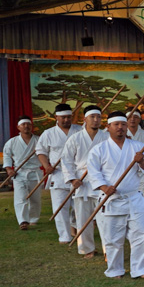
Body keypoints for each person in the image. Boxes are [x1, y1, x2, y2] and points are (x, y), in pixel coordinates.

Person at [87, 111, 144, 279]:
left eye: (123, 124)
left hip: (133, 197)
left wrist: (141, 161)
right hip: (112, 199)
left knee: (140, 235)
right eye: (116, 124)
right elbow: (93, 172)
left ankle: (142, 269)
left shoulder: (138, 147)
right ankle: (115, 269)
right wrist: (104, 187)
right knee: (113, 238)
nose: (120, 128)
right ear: (108, 127)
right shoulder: (99, 149)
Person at [61, 105, 109, 258]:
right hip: (82, 182)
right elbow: (66, 160)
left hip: (102, 180)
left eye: (98, 117)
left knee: (105, 218)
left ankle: (108, 249)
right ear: (85, 119)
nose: (96, 120)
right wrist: (72, 178)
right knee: (83, 218)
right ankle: (86, 248)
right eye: (92, 117)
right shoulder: (75, 138)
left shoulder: (107, 137)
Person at [36, 103, 83, 243]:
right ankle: (64, 236)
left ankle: (78, 230)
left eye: (69, 117)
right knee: (60, 207)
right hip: (58, 174)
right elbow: (41, 151)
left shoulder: (80, 131)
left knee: (79, 206)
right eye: (63, 117)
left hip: (78, 174)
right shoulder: (48, 133)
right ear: (56, 117)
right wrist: (46, 166)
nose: (66, 120)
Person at [2, 116, 42, 230]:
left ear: (31, 126)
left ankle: (33, 218)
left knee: (35, 198)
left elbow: (44, 154)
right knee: (20, 198)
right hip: (19, 173)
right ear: (18, 127)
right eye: (23, 124)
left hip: (35, 173)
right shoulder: (12, 142)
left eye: (28, 124)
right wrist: (9, 169)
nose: (26, 126)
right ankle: (23, 220)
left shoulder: (38, 140)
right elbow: (7, 156)